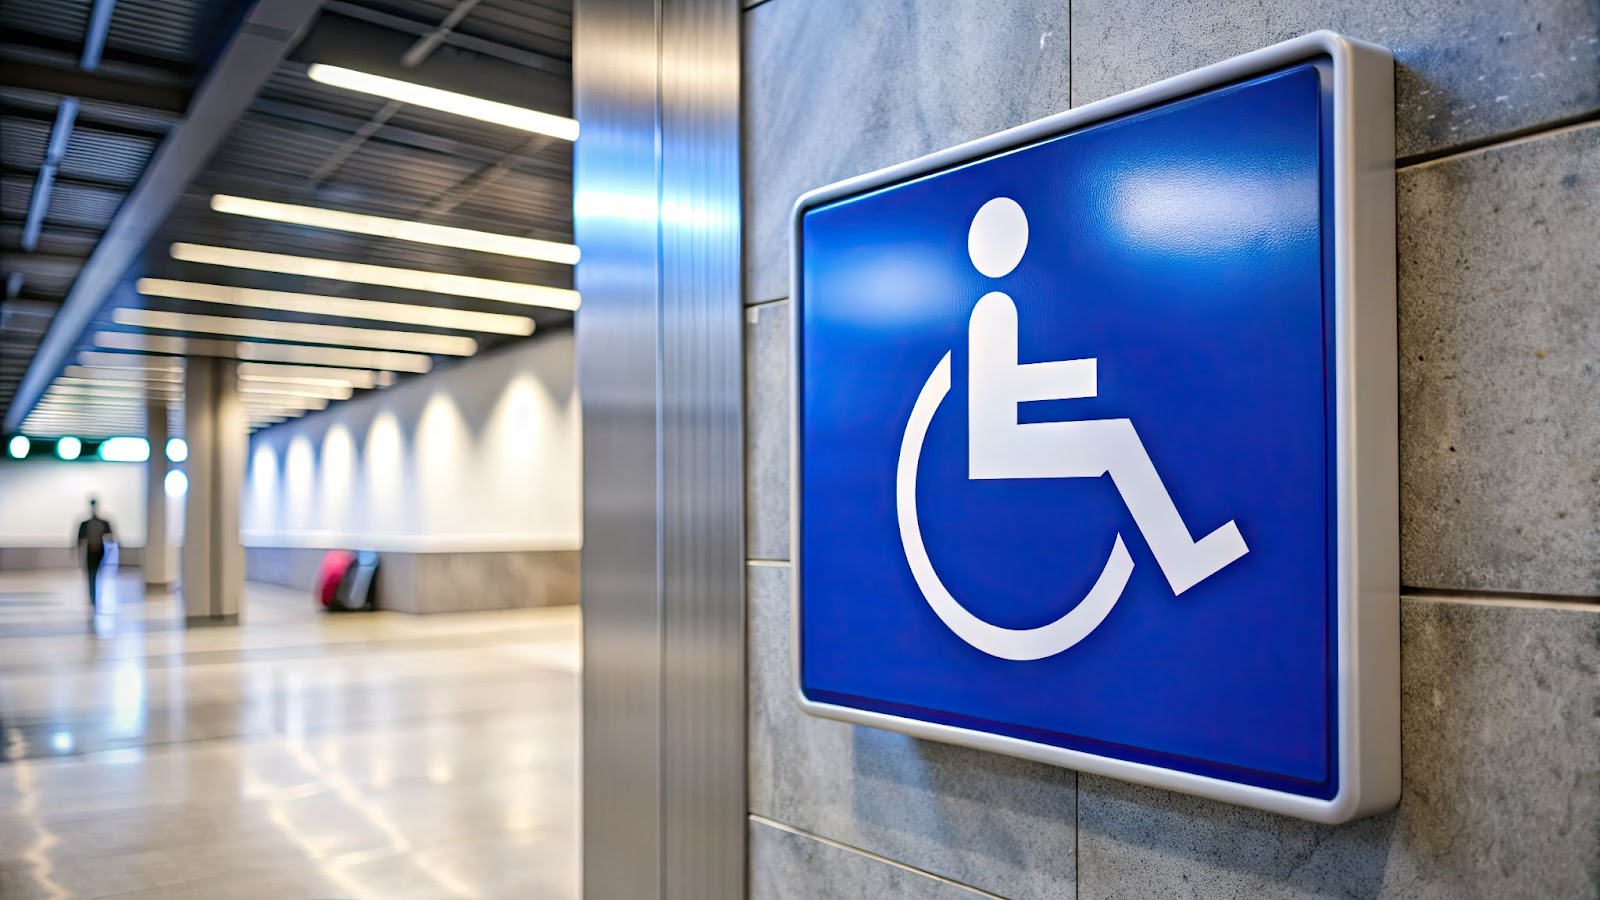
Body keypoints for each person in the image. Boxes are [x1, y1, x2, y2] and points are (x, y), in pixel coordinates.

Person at [76, 497, 116, 613]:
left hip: (99, 550)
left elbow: (111, 536)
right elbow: (79, 539)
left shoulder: (102, 523)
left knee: (94, 574)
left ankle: (95, 596)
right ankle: (93, 597)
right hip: (91, 550)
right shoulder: (86, 523)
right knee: (91, 575)